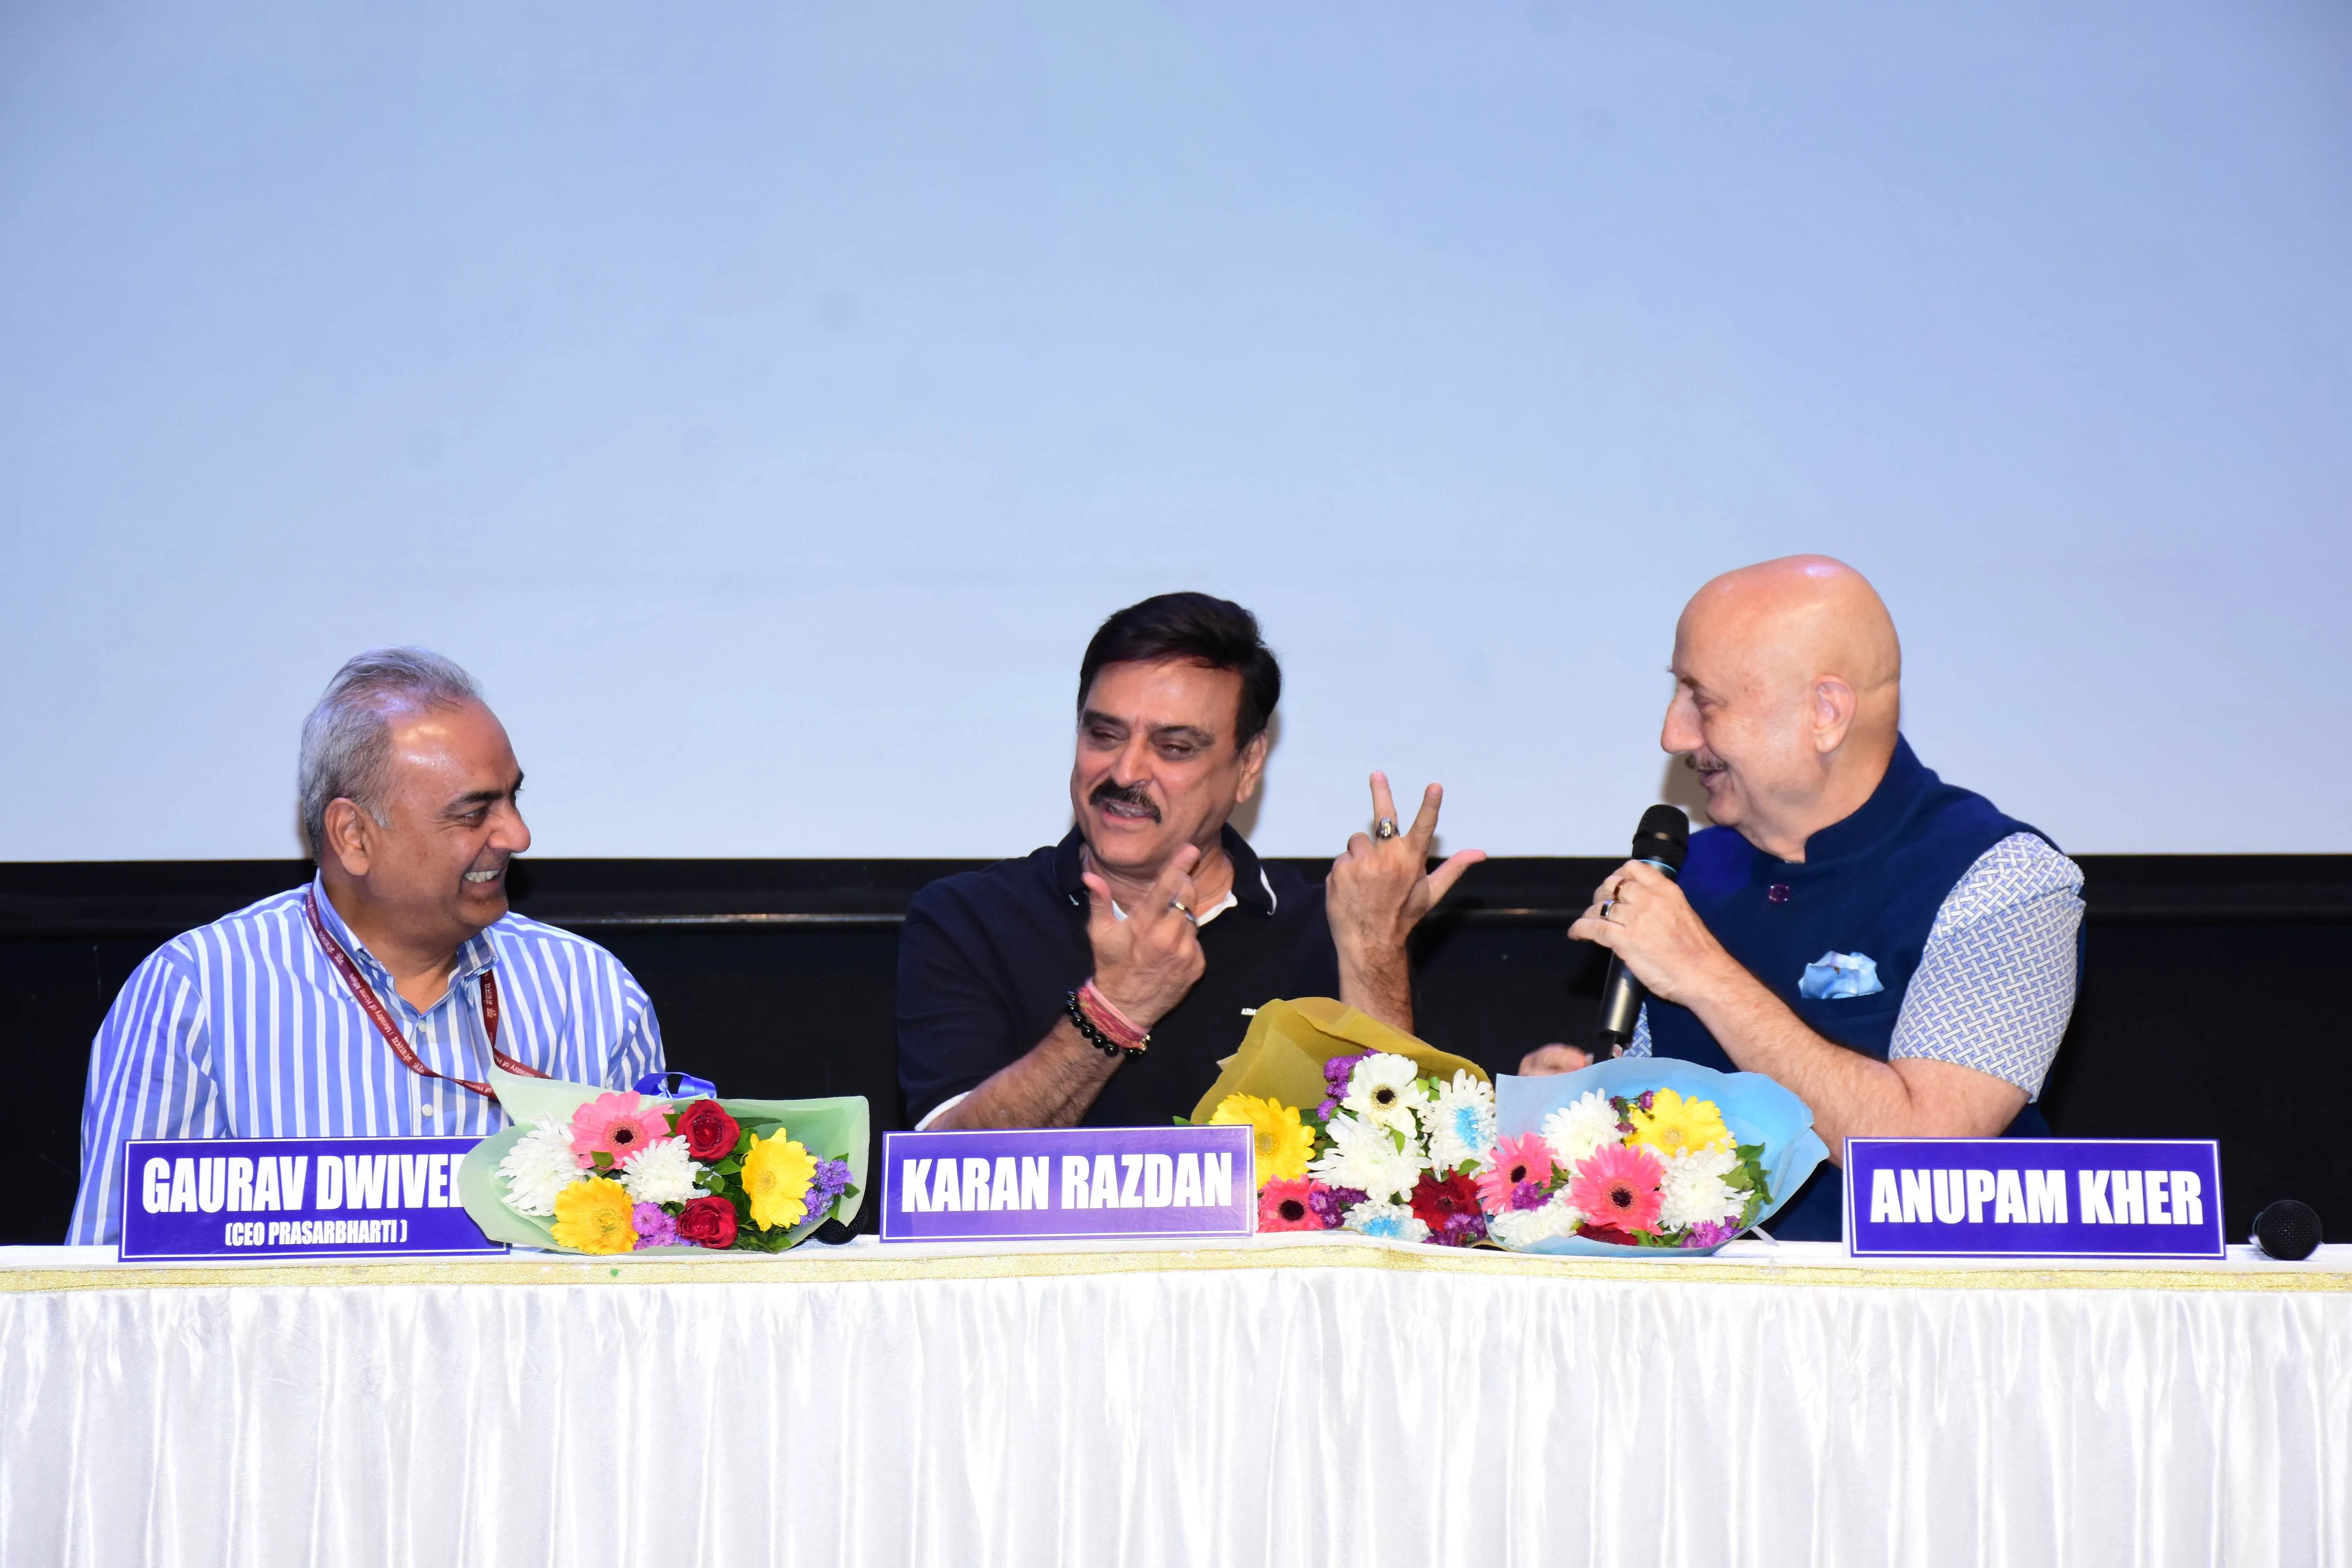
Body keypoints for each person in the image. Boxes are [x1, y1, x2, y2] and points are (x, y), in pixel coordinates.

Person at [1523, 556, 2084, 1240]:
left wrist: (1704, 975)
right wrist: (1583, 1114)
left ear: (1825, 713)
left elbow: (1925, 1158)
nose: (1673, 735)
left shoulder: (2002, 878)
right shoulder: (1682, 875)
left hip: (1924, 1324)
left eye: (1704, 701)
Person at [67, 648, 664, 1244]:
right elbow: (107, 1285)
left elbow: (655, 1258)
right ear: (353, 836)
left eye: (513, 798)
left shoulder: (595, 993)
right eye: (474, 812)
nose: (517, 835)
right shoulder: (197, 994)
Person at [898, 592, 1481, 1131]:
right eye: (1104, 736)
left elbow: (1400, 1183)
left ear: (1249, 765)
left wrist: (1374, 951)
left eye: (1174, 748)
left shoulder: (1321, 929)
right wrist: (1113, 1012)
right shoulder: (971, 918)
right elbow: (940, 1171)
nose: (1125, 773)